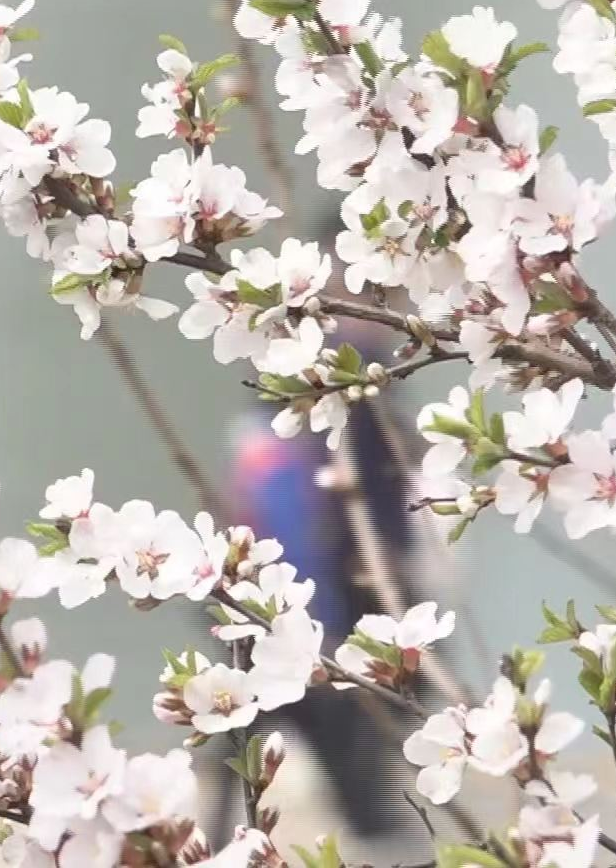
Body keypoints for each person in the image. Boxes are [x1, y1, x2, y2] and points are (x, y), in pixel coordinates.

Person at [222, 317, 426, 843]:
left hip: (297, 618)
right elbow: (292, 527)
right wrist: (327, 629)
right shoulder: (299, 430)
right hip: (307, 623)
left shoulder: (344, 404)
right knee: (354, 769)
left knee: (246, 741)